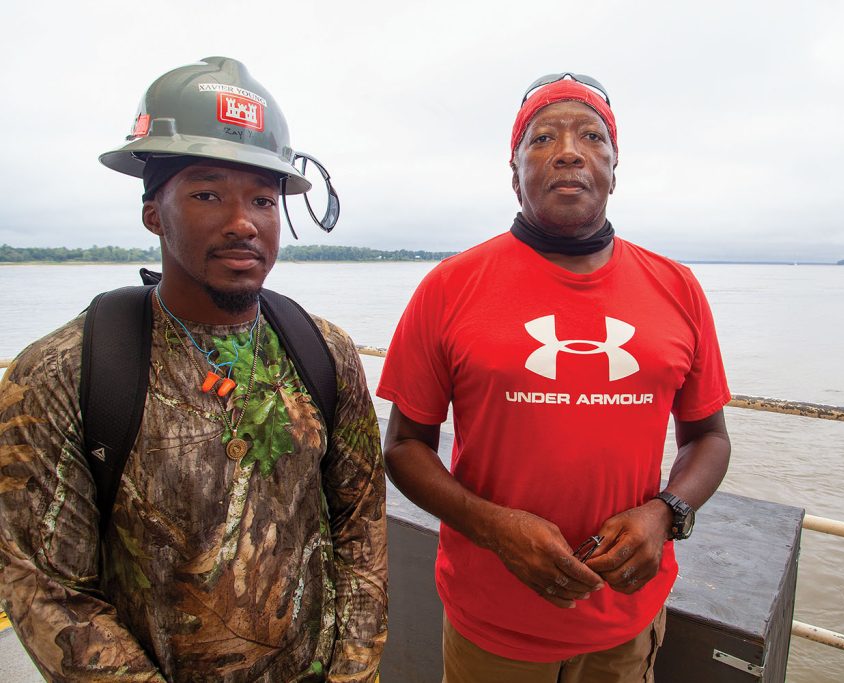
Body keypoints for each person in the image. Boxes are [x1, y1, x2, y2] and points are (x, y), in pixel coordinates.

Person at [0, 57, 386, 682]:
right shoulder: (59, 374)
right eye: (208, 194)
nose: (243, 222)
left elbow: (361, 527)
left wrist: (351, 672)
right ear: (154, 212)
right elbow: (48, 590)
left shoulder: (325, 353)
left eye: (262, 199)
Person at [377, 72, 732, 682]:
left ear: (614, 169)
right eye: (542, 139)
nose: (568, 150)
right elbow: (405, 446)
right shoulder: (450, 286)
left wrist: (667, 511)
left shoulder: (677, 288)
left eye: (591, 136)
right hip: (492, 625)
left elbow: (708, 437)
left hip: (626, 618)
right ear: (513, 174)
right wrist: (495, 529)